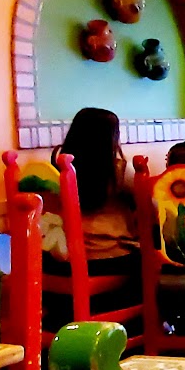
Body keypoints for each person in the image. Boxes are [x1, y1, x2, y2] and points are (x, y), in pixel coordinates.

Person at [50, 107, 137, 274]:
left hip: (60, 257)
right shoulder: (118, 170)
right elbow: (152, 207)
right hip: (105, 254)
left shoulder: (56, 170)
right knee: (152, 258)